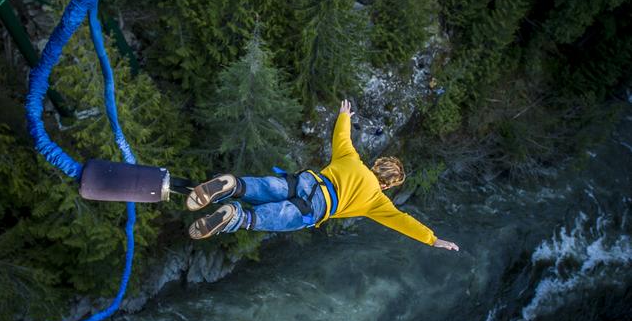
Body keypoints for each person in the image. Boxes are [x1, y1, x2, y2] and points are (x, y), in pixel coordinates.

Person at [186, 100, 459, 251]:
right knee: (265, 218)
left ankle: (233, 184)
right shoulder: (377, 201)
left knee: (269, 187)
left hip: (307, 181)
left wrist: (345, 115)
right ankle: (235, 216)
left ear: (377, 165)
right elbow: (403, 222)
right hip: (317, 207)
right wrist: (432, 239)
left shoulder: (351, 158)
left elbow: (342, 136)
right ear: (387, 185)